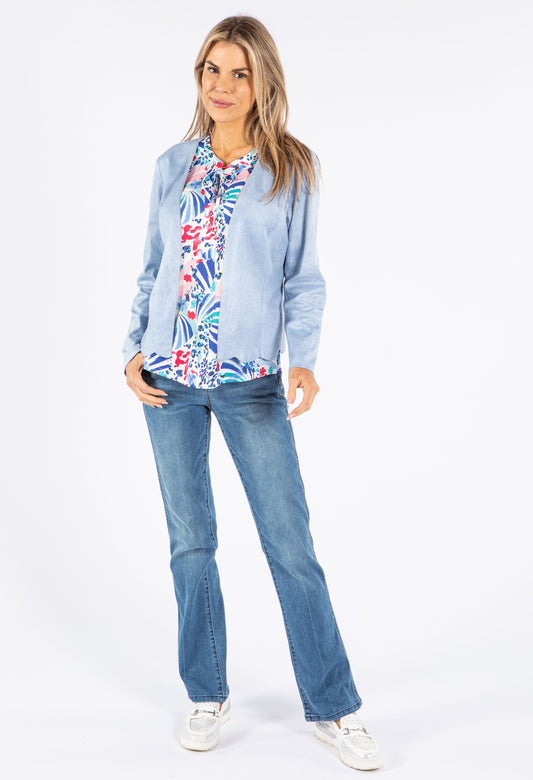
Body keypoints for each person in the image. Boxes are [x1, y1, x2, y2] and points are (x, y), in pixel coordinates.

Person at [122, 14, 383, 772]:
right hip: (169, 379)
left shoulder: (291, 167)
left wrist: (304, 359)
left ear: (263, 81)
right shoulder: (172, 165)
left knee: (290, 545)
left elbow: (303, 277)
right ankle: (206, 693)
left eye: (239, 73)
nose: (223, 86)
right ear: (198, 76)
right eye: (212, 69)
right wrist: (131, 350)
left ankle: (334, 707)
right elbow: (152, 268)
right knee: (190, 542)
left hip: (250, 381)